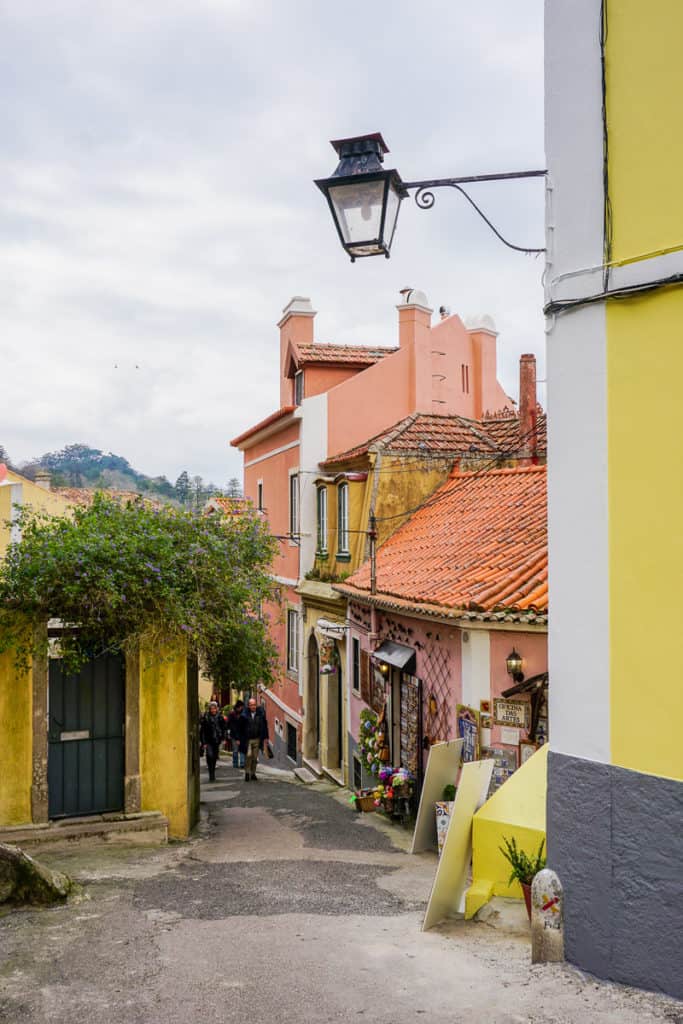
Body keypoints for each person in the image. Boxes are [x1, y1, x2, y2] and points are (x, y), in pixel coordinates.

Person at [239, 696, 269, 781]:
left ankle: (253, 773)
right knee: (248, 756)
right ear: (248, 706)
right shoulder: (244, 715)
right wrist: (239, 738)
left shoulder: (260, 714)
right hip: (248, 739)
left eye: (254, 705)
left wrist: (266, 737)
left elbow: (265, 726)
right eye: (251, 705)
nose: (253, 706)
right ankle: (247, 772)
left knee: (255, 757)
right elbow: (240, 727)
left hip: (257, 738)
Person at [200, 700, 225, 782]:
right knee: (209, 755)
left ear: (216, 709)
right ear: (210, 709)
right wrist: (203, 742)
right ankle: (211, 772)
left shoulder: (220, 717)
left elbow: (223, 728)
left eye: (215, 708)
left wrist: (223, 738)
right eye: (212, 709)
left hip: (216, 740)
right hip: (208, 740)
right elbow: (202, 731)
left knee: (214, 757)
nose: (213, 710)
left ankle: (212, 772)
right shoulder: (206, 717)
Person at [227, 699, 245, 769]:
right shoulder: (232, 714)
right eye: (241, 707)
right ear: (238, 707)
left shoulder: (243, 714)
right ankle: (235, 763)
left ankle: (242, 763)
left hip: (242, 735)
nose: (241, 708)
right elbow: (230, 725)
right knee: (235, 750)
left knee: (242, 749)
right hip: (234, 735)